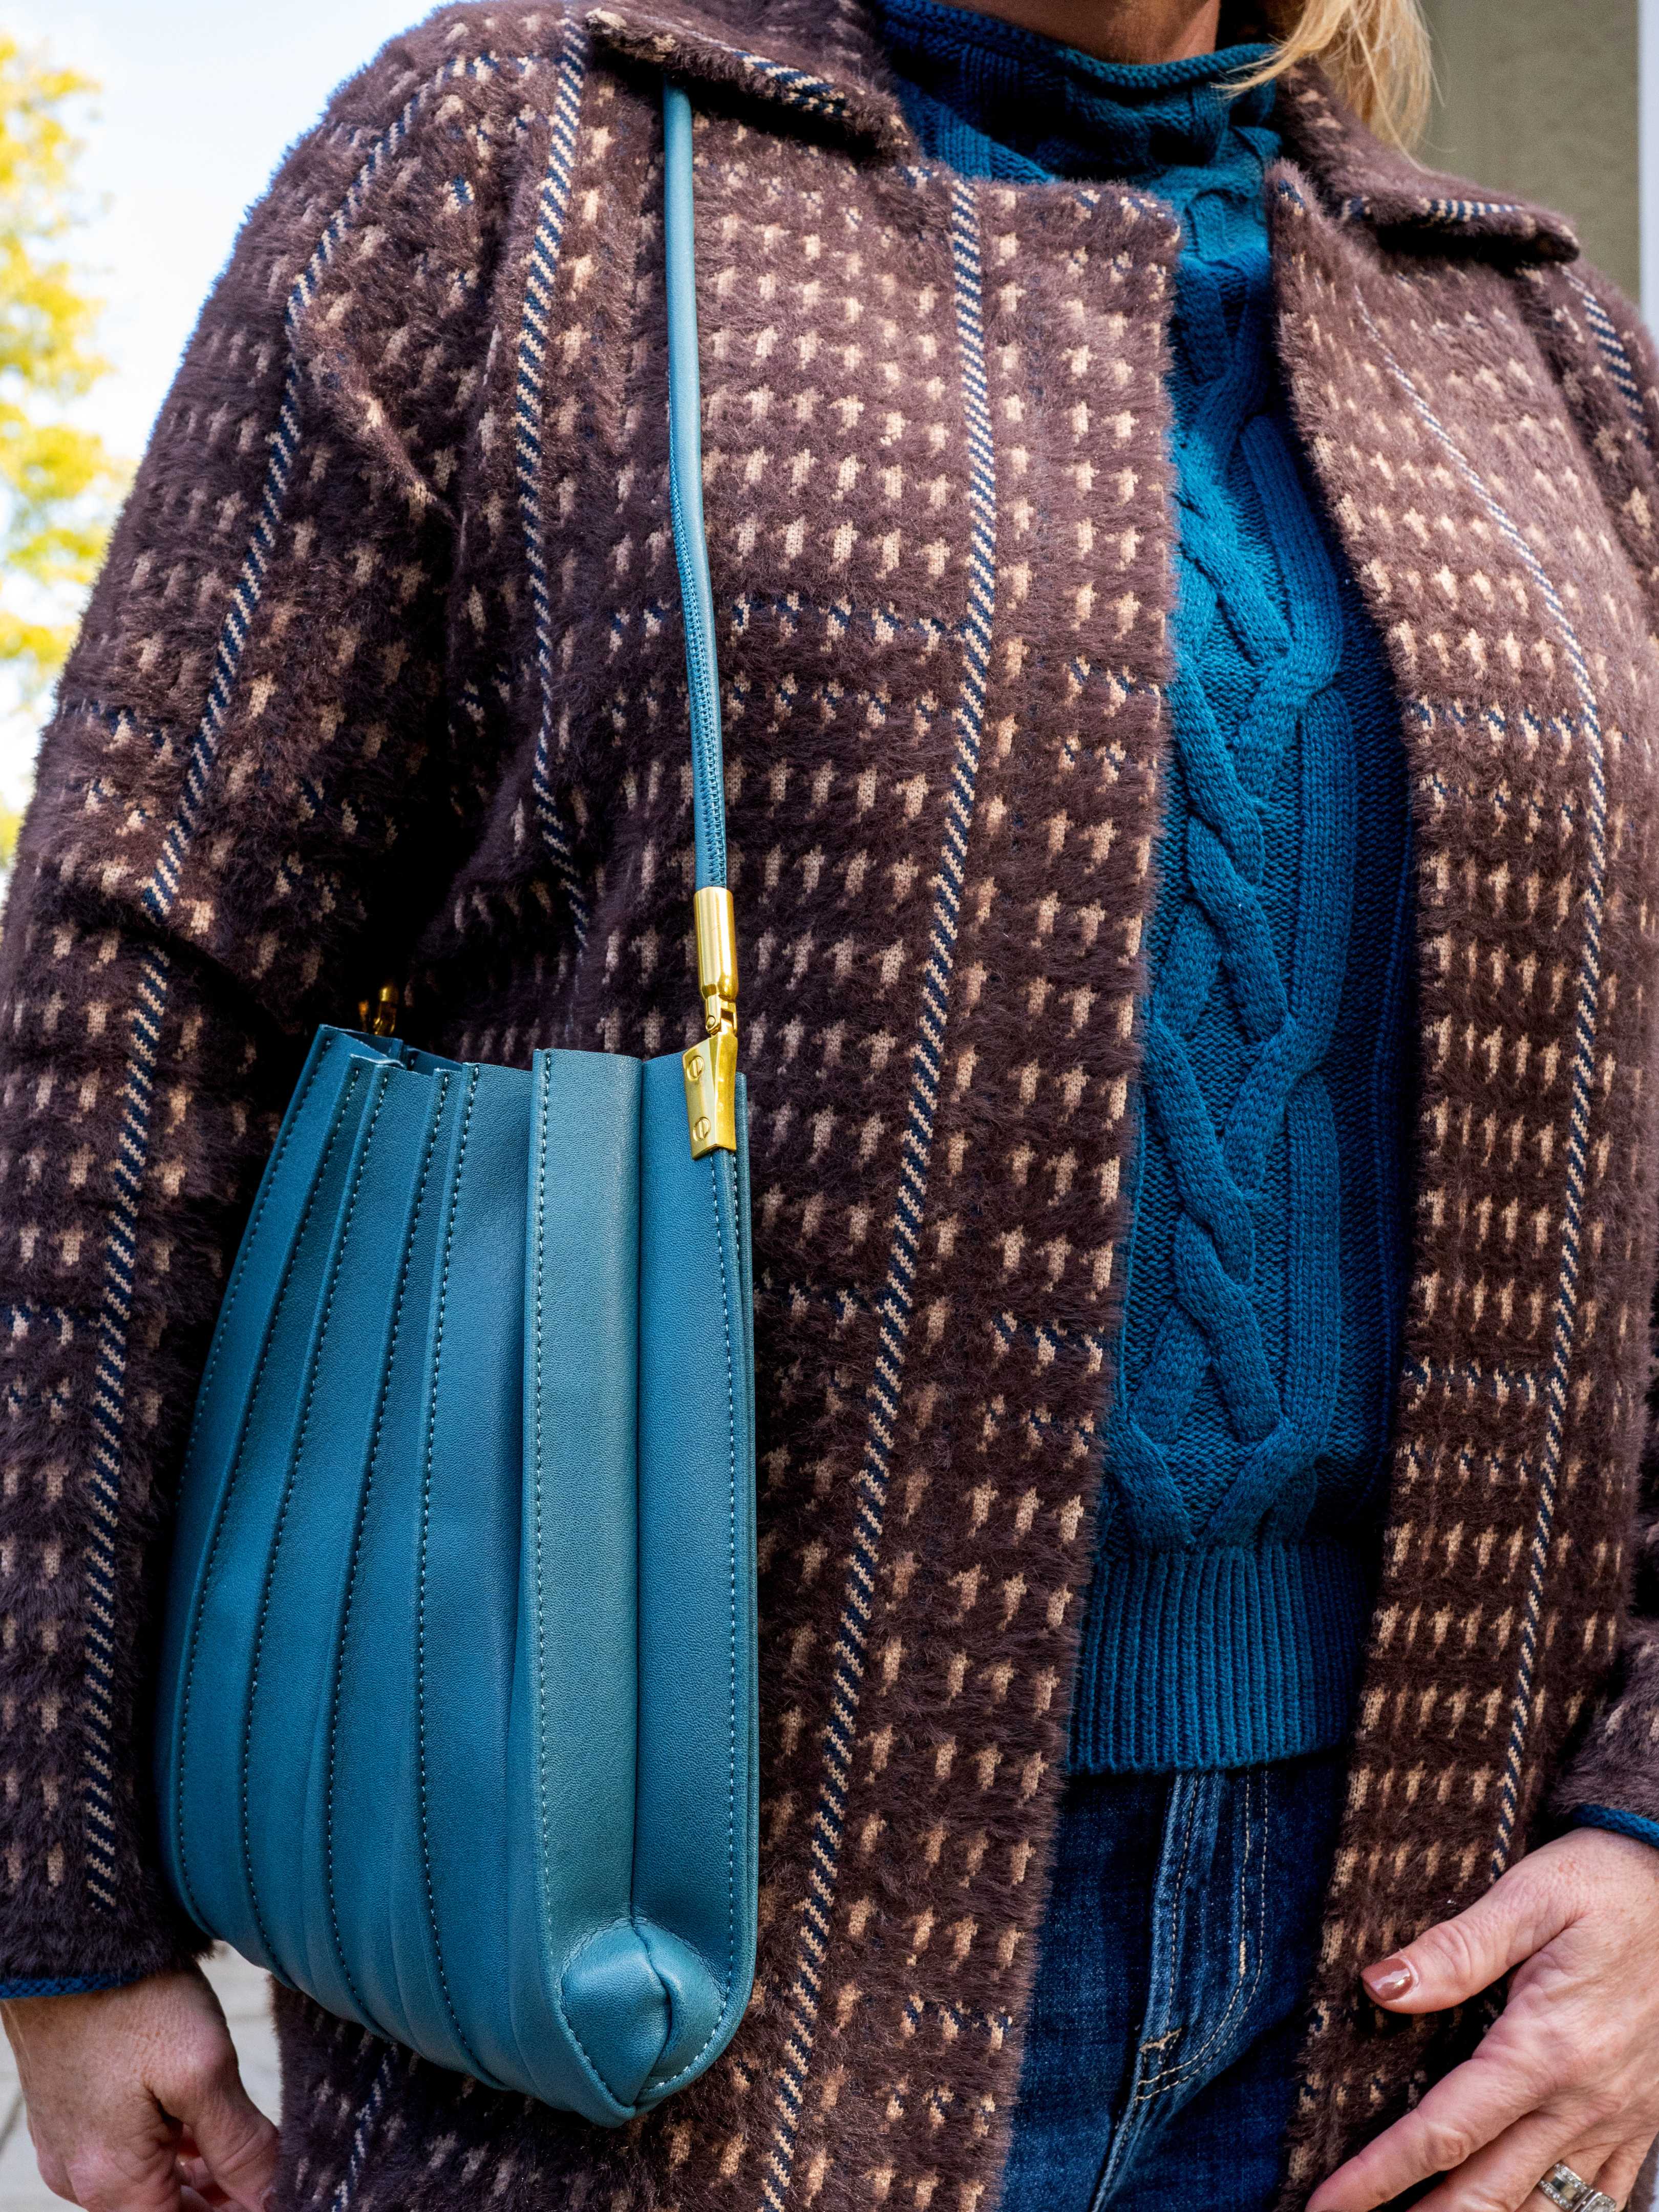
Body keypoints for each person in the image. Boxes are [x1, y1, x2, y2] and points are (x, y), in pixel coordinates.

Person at [3, 0, 1658, 2206]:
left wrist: (1653, 1823)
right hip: (649, 1986)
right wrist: (59, 1896)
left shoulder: (1541, 342)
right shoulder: (524, 168)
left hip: (1413, 1983)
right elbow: (131, 1004)